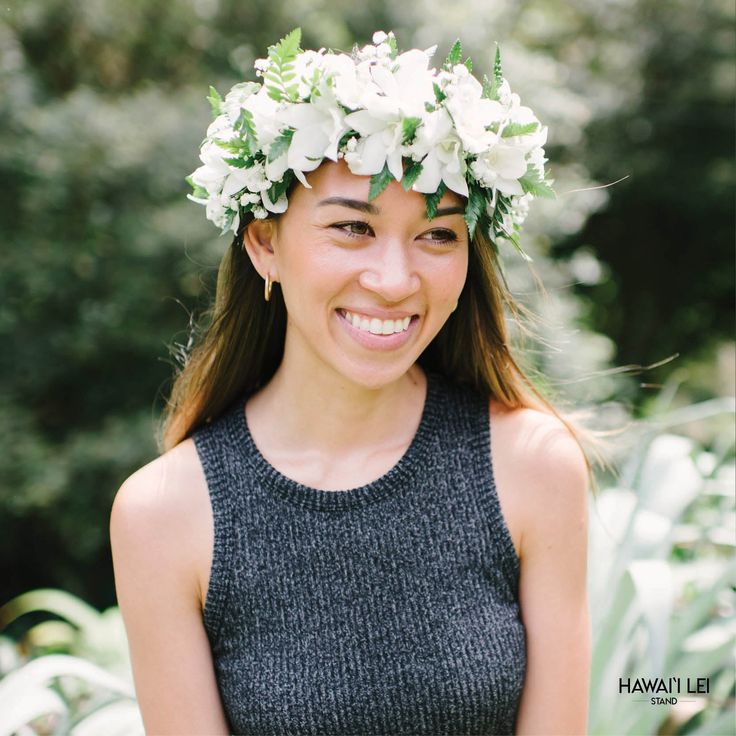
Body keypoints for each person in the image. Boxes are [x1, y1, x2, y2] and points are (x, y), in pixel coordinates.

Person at [110, 29, 592, 735]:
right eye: (352, 229)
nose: (395, 281)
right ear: (264, 244)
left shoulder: (531, 467)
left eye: (437, 235)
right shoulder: (164, 517)